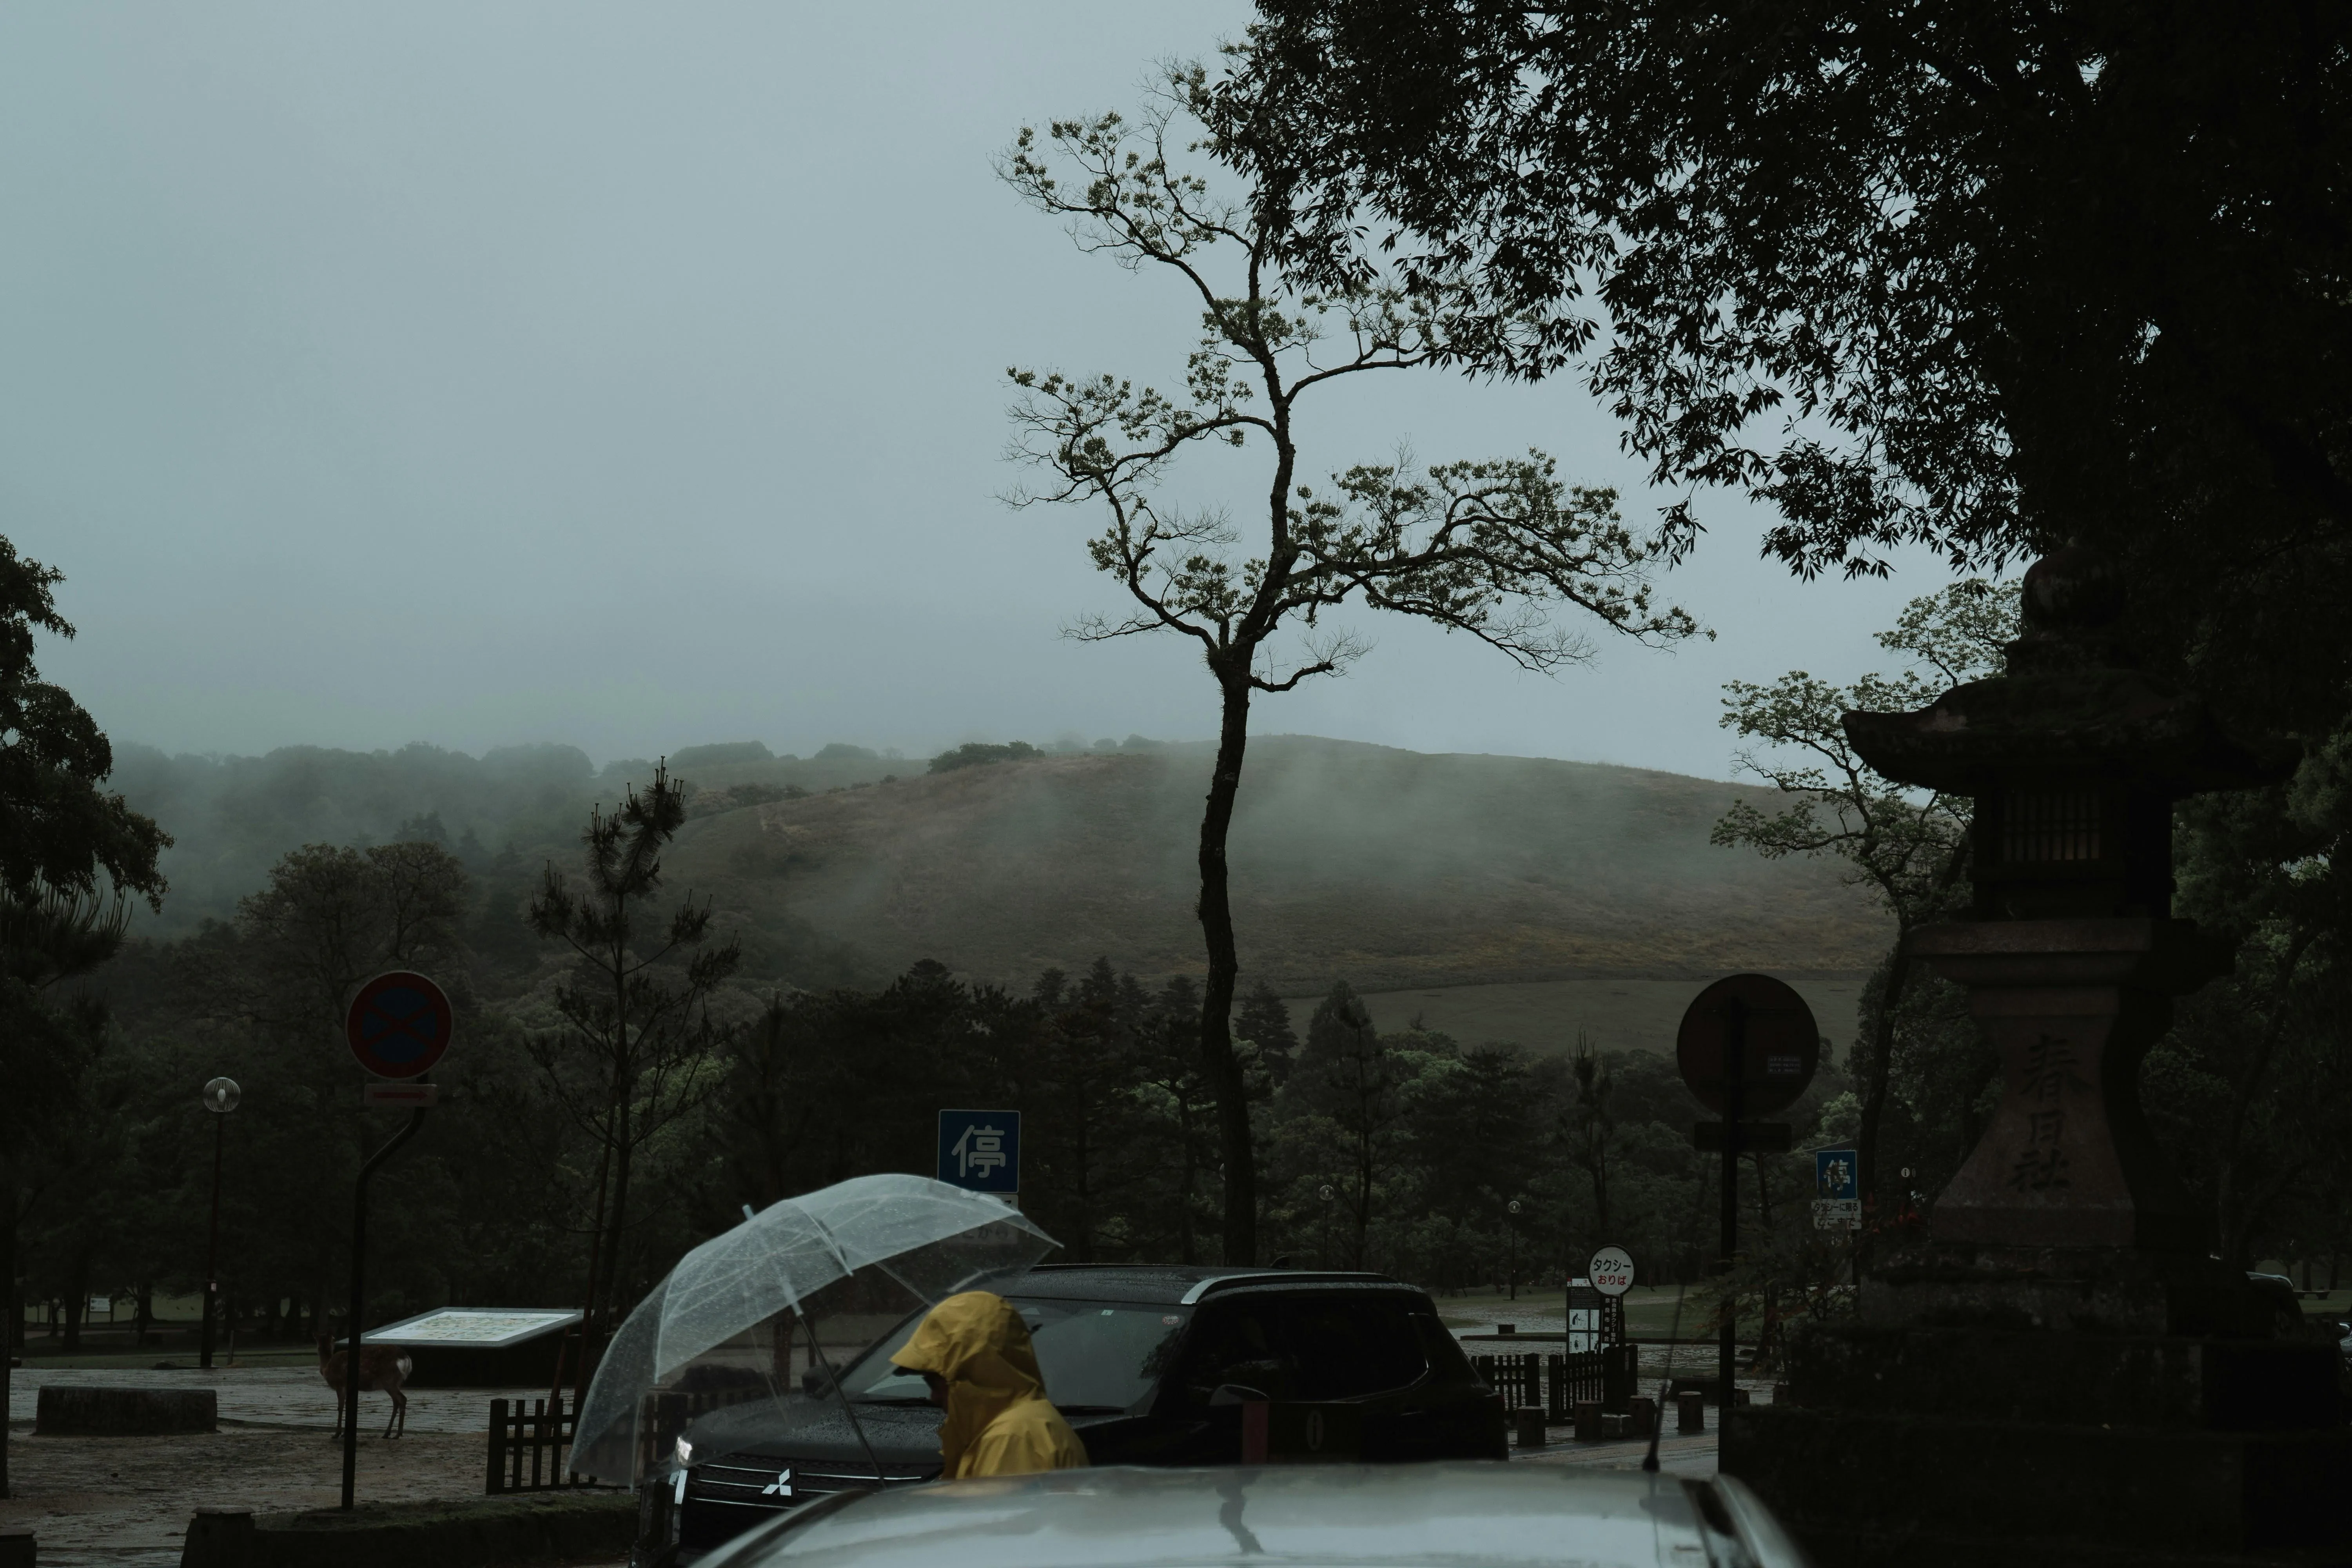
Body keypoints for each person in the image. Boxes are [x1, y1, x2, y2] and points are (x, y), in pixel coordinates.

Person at [890, 1290, 1089, 1478]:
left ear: (973, 1373)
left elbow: (989, 1514)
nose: (933, 1397)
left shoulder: (1014, 1438)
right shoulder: (1013, 1427)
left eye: (935, 1383)